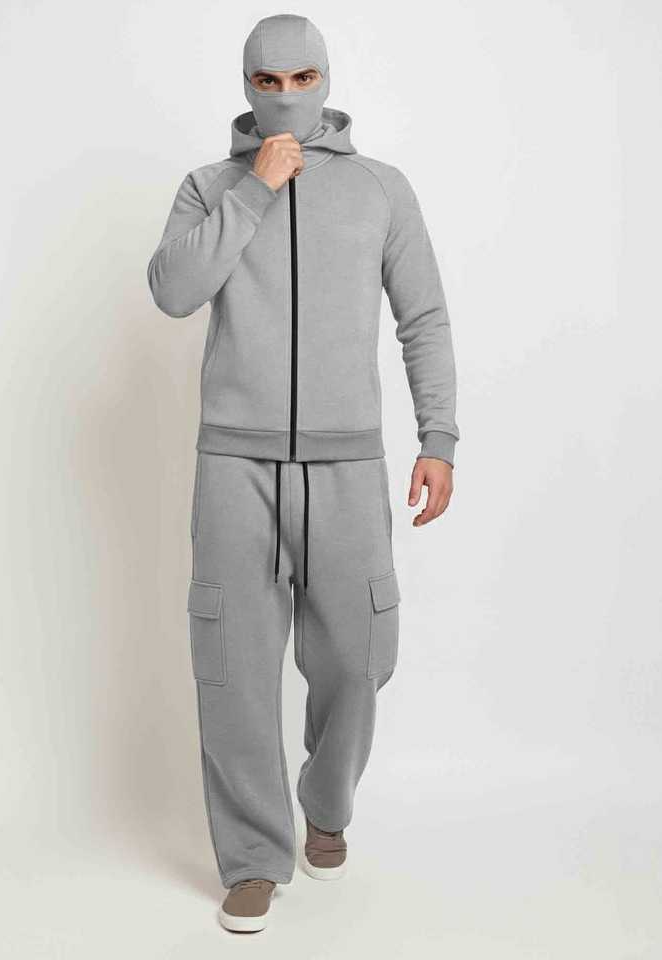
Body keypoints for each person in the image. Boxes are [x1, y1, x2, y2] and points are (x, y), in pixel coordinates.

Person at [147, 13, 460, 933]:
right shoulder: (210, 188)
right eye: (269, 80)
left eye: (303, 78)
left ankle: (327, 802)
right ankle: (253, 858)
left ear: (327, 77)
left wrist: (438, 438)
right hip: (234, 467)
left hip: (347, 466)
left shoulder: (380, 189)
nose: (287, 95)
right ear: (246, 84)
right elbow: (172, 291)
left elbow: (423, 318)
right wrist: (256, 188)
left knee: (360, 659)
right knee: (234, 674)